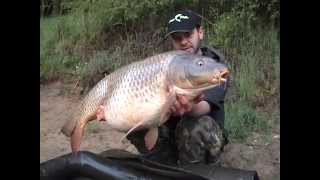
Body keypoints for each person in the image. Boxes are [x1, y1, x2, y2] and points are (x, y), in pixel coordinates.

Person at [127, 10, 229, 167]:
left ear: (200, 33)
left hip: (203, 135)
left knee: (194, 125)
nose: (183, 42)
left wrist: (188, 106)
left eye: (188, 35)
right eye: (177, 38)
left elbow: (202, 107)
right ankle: (163, 167)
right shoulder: (167, 65)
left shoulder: (214, 68)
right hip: (171, 133)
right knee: (135, 122)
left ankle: (200, 170)